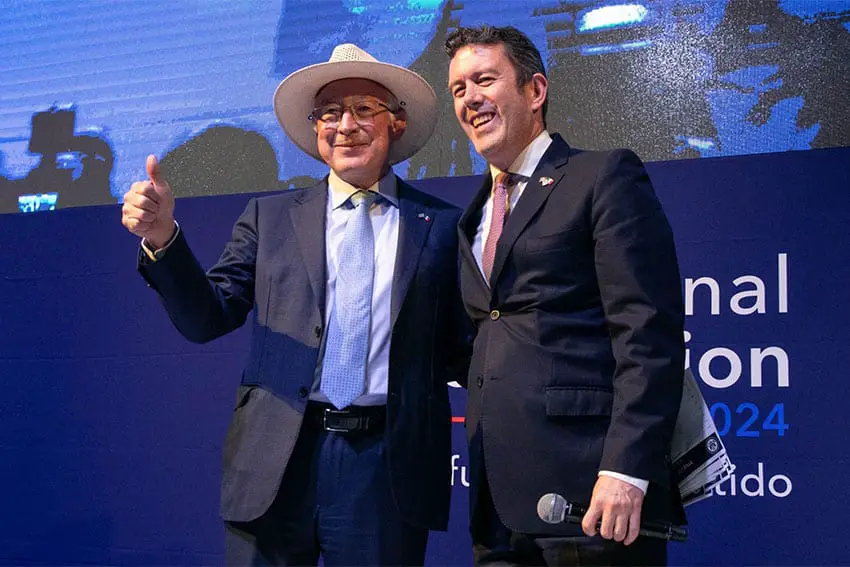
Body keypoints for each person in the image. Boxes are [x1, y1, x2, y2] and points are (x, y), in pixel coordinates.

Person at [121, 44, 469, 566]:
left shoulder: (443, 226)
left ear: (395, 123)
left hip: (385, 470)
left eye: (363, 110)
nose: (345, 125)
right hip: (274, 462)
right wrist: (163, 237)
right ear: (316, 132)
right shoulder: (269, 217)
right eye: (329, 113)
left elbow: (467, 348)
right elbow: (206, 318)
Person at [445, 25, 686, 566]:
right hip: (498, 505)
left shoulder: (601, 176)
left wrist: (625, 469)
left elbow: (647, 332)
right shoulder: (471, 217)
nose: (470, 99)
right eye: (458, 89)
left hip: (592, 496)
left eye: (485, 79)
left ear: (535, 91)